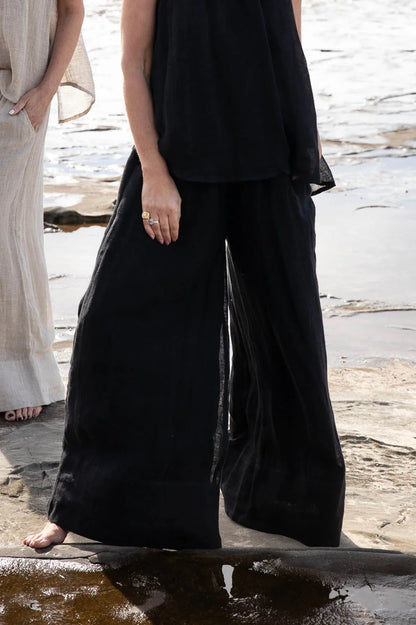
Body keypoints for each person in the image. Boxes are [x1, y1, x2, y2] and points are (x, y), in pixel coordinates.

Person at [24, 0, 345, 550]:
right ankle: (88, 504)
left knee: (287, 332)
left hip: (270, 155)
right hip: (179, 158)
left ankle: (287, 503)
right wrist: (153, 171)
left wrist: (306, 139)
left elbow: (289, 46)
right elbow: (133, 62)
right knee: (112, 321)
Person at [0, 0, 94, 422]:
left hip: (18, 98)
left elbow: (72, 10)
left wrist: (47, 90)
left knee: (9, 231)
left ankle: (24, 373)